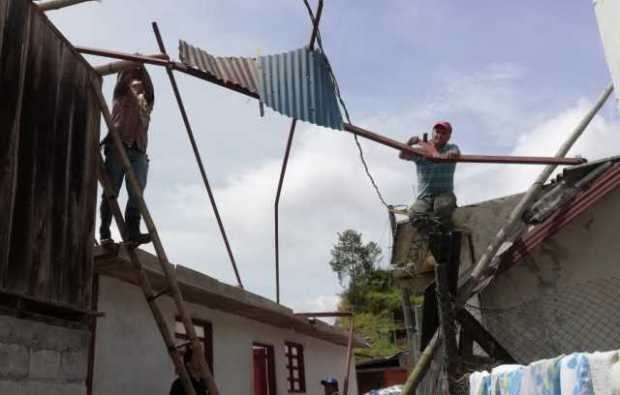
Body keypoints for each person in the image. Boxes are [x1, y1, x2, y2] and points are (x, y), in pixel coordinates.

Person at [99, 65, 154, 246]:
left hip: (138, 150)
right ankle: (105, 231)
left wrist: (142, 70)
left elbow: (149, 87)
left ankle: (133, 231)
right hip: (118, 145)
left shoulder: (146, 104)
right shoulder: (121, 94)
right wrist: (132, 63)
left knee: (136, 193)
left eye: (141, 85)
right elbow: (123, 77)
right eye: (135, 84)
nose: (139, 87)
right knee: (112, 189)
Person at [399, 121, 460, 226]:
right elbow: (402, 155)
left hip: (444, 194)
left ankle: (444, 230)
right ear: (432, 133)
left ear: (449, 137)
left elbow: (455, 153)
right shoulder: (422, 151)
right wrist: (409, 143)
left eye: (443, 133)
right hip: (425, 197)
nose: (439, 135)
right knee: (414, 214)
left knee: (443, 208)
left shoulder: (451, 148)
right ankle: (427, 233)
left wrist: (449, 155)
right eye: (437, 132)